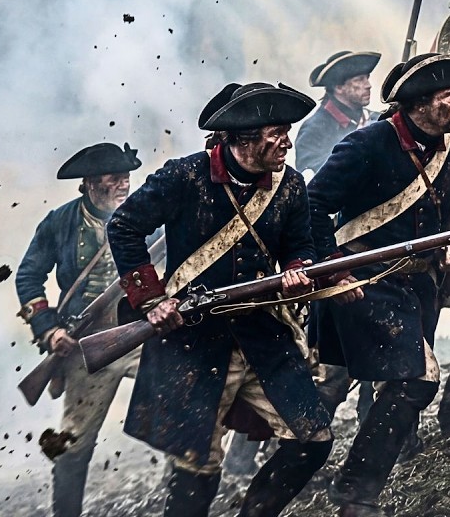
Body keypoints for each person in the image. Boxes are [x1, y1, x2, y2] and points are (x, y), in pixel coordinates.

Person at [107, 82, 351, 517]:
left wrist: (298, 268)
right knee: (197, 464)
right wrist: (151, 300)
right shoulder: (185, 176)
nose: (286, 142)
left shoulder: (289, 185)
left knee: (313, 441)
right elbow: (124, 226)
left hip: (263, 336)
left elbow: (300, 244)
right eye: (276, 132)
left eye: (286, 131)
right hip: (194, 343)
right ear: (244, 138)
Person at [308, 53, 450, 515]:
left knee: (406, 383)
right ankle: (349, 489)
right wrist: (334, 271)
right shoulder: (366, 144)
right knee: (413, 378)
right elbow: (313, 206)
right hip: (364, 282)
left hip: (417, 286)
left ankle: (355, 487)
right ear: (420, 103)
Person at [16, 143, 142, 517]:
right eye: (113, 179)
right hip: (88, 346)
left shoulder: (143, 214)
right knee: (73, 443)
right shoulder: (61, 222)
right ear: (89, 183)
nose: (123, 185)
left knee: (188, 401)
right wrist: (50, 331)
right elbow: (28, 277)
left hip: (141, 334)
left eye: (126, 177)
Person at [295, 50, 381, 173]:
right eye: (359, 79)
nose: (368, 85)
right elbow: (315, 177)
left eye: (367, 78)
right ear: (339, 87)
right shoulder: (313, 131)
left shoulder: (377, 119)